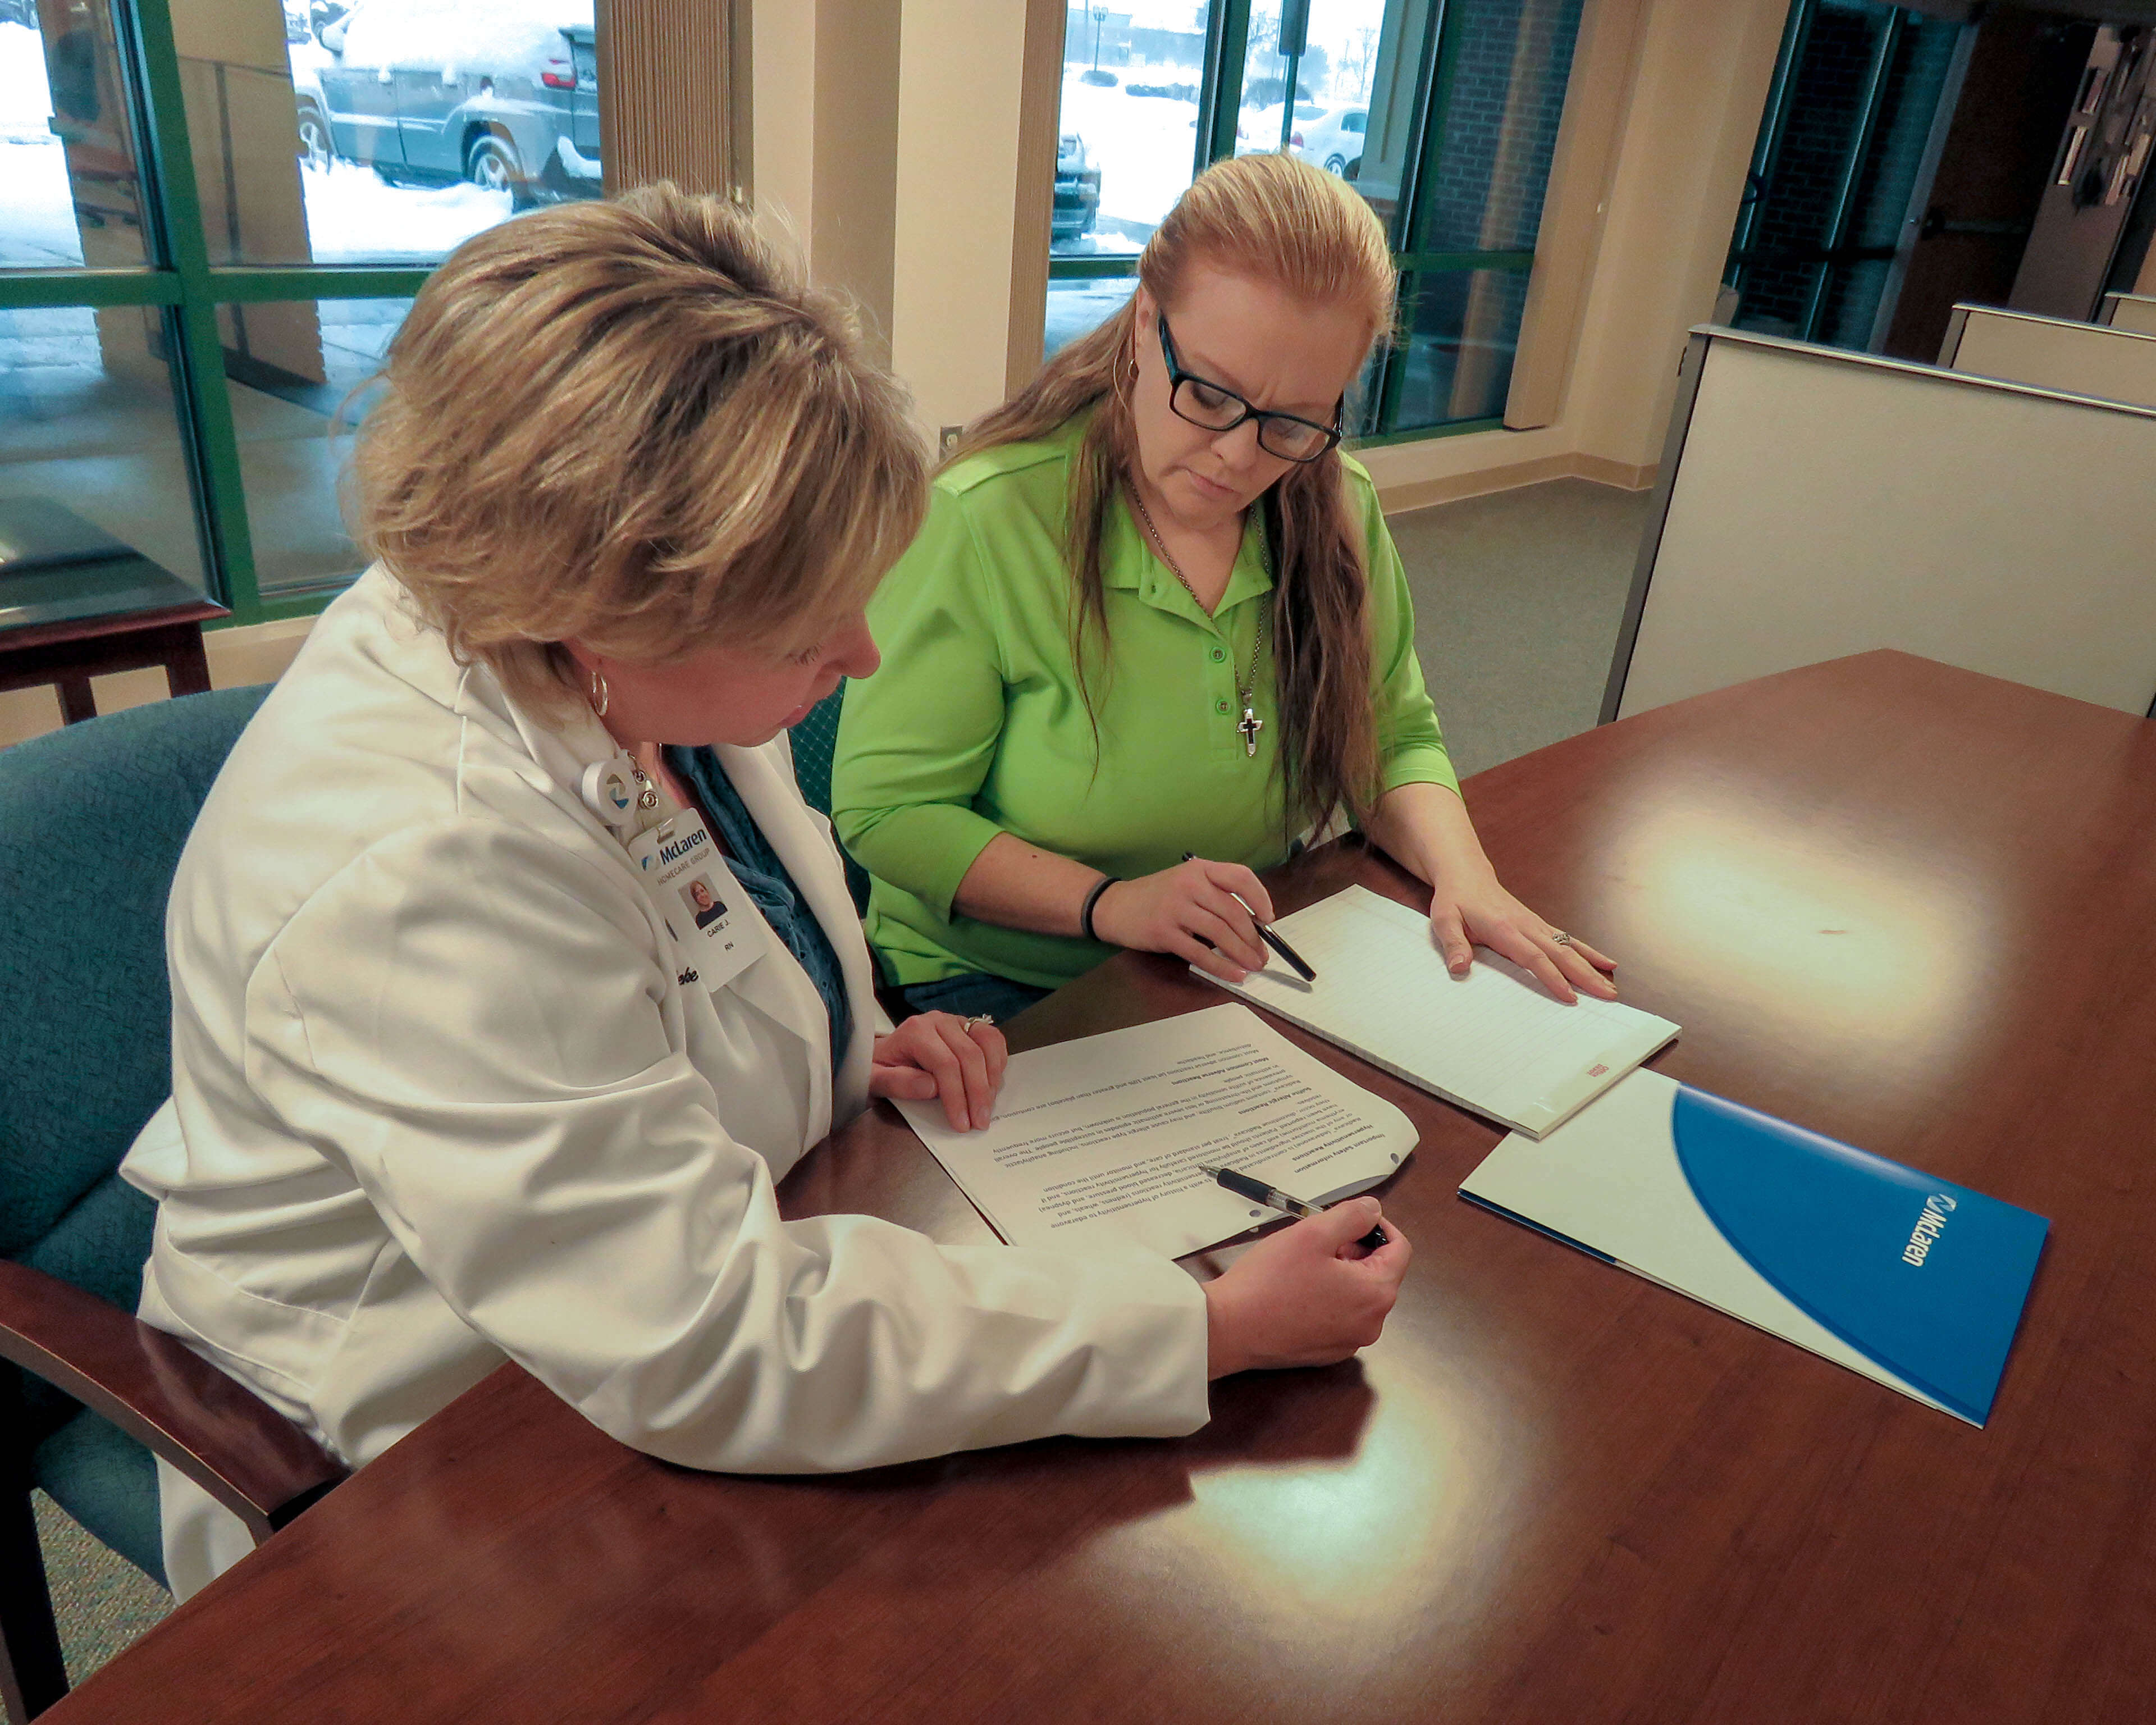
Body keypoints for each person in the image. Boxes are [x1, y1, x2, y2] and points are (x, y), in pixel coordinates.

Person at [120, 184, 1410, 1602]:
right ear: (618, 605)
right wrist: (1199, 1324)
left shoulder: (628, 672)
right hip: (417, 1428)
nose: (858, 656)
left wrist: (842, 1051)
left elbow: (690, 960)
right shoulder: (420, 867)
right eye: (811, 626)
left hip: (631, 1294)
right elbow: (713, 1340)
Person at [831, 154, 1617, 1026]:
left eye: (1294, 422)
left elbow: (1392, 735)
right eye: (1210, 395)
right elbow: (889, 813)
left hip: (1239, 950)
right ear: (1142, 325)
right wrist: (1112, 903)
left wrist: (1468, 878)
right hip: (1005, 977)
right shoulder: (983, 521)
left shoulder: (1338, 506)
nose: (1240, 458)